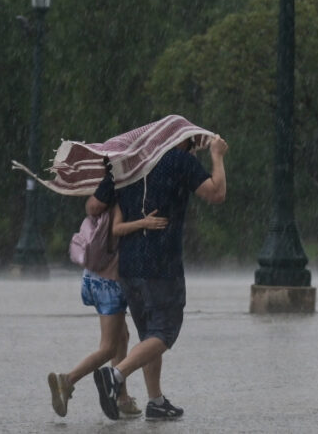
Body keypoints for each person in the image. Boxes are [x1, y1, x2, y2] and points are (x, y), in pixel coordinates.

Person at [93, 134, 227, 420]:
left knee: (147, 335)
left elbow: (93, 206)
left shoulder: (126, 163)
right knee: (164, 332)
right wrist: (216, 155)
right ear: (182, 143)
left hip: (129, 265)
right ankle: (115, 377)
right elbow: (216, 193)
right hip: (161, 263)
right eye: (190, 144)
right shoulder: (179, 161)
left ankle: (156, 401)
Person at [46, 170, 167, 419]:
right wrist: (144, 223)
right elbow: (116, 229)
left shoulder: (105, 192)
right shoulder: (124, 193)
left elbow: (94, 208)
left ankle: (121, 398)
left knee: (122, 336)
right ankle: (66, 380)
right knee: (109, 347)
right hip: (110, 281)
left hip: (96, 274)